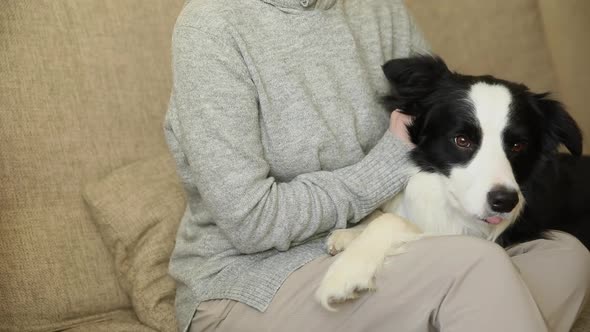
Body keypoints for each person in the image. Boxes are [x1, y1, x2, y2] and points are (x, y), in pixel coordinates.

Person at [163, 0, 590, 331]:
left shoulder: (378, 9)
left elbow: (438, 123)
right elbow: (251, 221)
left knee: (566, 257)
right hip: (251, 279)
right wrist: (382, 166)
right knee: (478, 268)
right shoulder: (212, 28)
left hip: (380, 244)